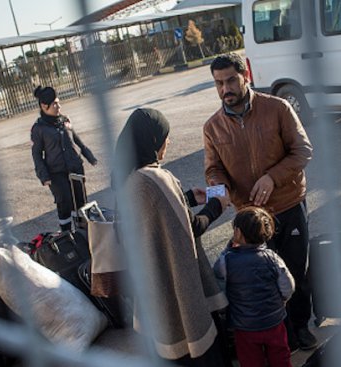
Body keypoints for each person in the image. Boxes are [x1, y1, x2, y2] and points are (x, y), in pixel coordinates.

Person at [203, 53, 316, 351]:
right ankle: (277, 333)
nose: (224, 88)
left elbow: (303, 151)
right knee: (258, 280)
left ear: (245, 76)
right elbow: (213, 168)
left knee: (295, 272)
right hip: (249, 216)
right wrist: (219, 187)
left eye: (230, 80)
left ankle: (300, 326)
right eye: (218, 83)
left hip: (289, 204)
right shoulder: (212, 127)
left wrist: (271, 177)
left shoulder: (277, 108)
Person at [113, 108, 231, 366]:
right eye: (166, 136)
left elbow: (155, 217)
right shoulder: (156, 178)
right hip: (177, 286)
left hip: (153, 285)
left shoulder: (128, 179)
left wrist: (187, 197)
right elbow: (189, 229)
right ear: (154, 141)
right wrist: (217, 205)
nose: (169, 142)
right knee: (196, 346)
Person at [213, 206, 295, 367]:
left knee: (250, 360)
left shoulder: (226, 261)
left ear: (237, 233)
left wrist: (229, 247)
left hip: (244, 326)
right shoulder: (272, 258)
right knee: (280, 356)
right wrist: (282, 300)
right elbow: (288, 286)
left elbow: (217, 279)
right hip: (274, 321)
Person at [30, 86, 97, 232]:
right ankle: (66, 235)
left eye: (58, 102)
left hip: (75, 167)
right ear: (44, 106)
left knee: (80, 201)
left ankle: (84, 234)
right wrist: (43, 175)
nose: (58, 106)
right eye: (54, 104)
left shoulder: (64, 120)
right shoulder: (39, 128)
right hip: (56, 172)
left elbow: (76, 139)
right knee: (65, 201)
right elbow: (36, 154)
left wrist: (88, 155)